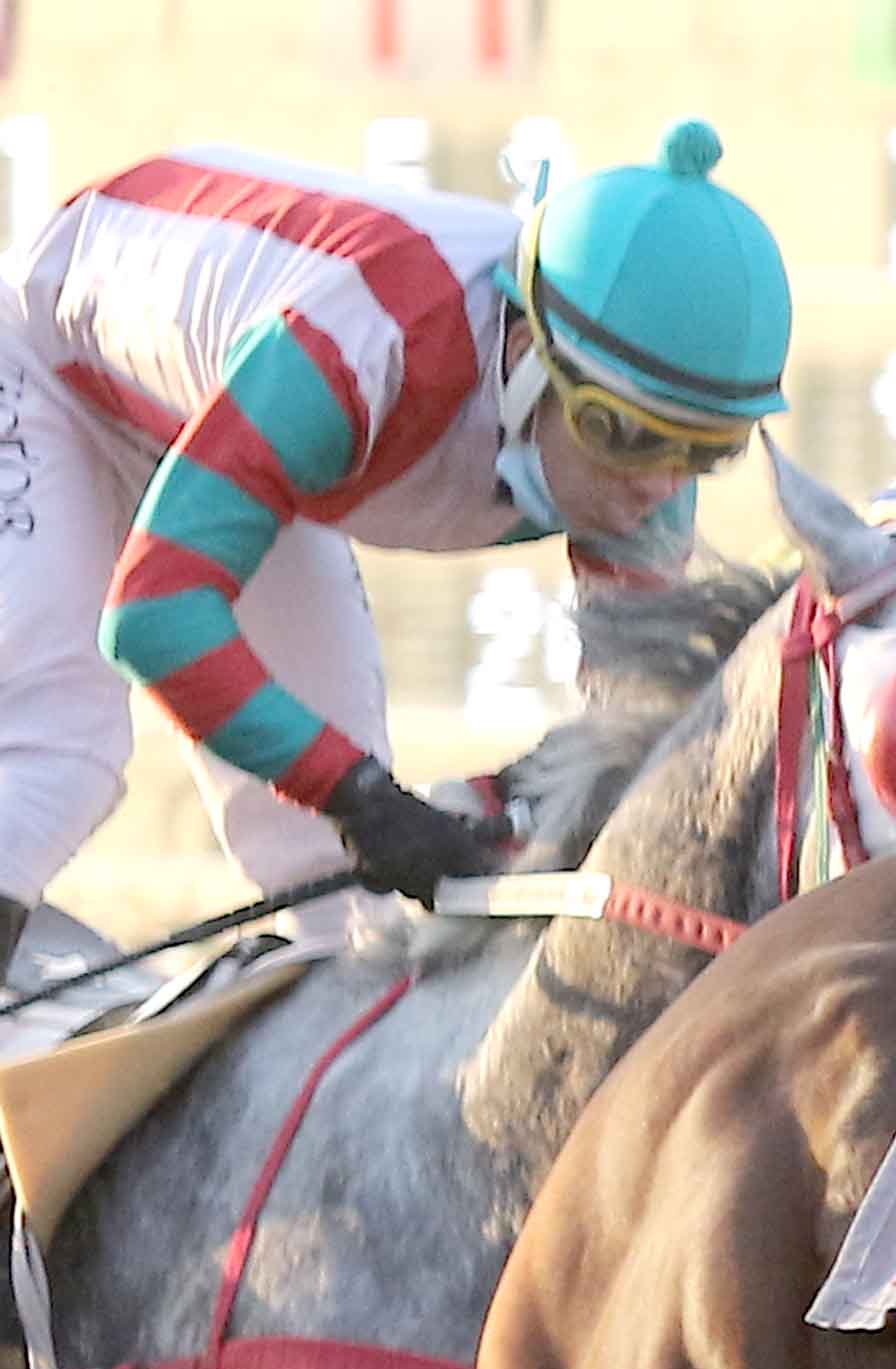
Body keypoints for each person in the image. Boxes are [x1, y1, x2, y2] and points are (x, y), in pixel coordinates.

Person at [0, 122, 787, 976]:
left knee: (344, 904)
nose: (658, 487)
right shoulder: (367, 346)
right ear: (527, 354)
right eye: (622, 434)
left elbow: (629, 732)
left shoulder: (643, 441)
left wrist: (490, 800)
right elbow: (155, 619)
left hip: (225, 413)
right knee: (58, 755)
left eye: (706, 451)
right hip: (53, 370)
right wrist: (363, 796)